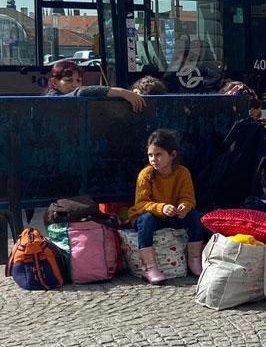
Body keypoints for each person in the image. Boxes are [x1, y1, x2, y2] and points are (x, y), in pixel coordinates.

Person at [127, 129, 205, 285]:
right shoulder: (146, 175)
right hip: (151, 216)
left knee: (195, 216)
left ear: (172, 155)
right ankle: (149, 266)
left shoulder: (183, 173)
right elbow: (141, 203)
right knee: (147, 219)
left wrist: (184, 206)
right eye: (150, 155)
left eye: (158, 155)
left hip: (173, 215)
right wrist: (161, 208)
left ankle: (195, 260)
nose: (154, 159)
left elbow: (188, 198)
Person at [45, 60, 145, 113]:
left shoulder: (79, 101)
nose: (75, 84)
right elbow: (80, 92)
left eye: (78, 80)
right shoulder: (50, 99)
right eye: (68, 80)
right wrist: (122, 92)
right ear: (55, 83)